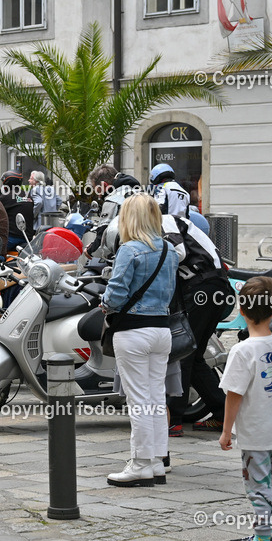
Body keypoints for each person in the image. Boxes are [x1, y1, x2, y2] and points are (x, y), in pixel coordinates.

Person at [101, 193, 177, 487]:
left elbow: (116, 293)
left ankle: (140, 463)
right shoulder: (169, 250)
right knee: (156, 397)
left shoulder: (129, 249)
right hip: (162, 330)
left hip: (133, 331)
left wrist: (105, 304)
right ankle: (157, 461)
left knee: (138, 401)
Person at [219, 276, 272, 541]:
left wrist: (226, 431)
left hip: (255, 434)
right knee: (269, 485)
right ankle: (264, 536)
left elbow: (233, 395)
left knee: (257, 488)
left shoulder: (242, 350)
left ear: (241, 310)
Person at [162, 213, 232, 437]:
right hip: (213, 287)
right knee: (194, 356)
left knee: (181, 353)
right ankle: (223, 413)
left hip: (203, 287)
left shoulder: (165, 219)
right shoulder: (173, 221)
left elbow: (178, 252)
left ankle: (173, 420)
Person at [0, 170, 34, 251]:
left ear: (7, 183)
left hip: (12, 238)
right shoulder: (28, 195)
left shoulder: (4, 197)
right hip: (27, 238)